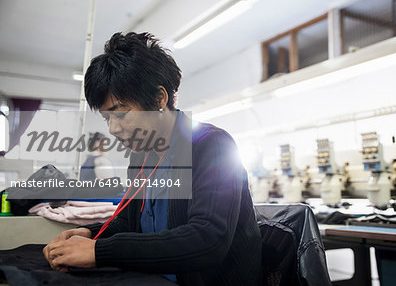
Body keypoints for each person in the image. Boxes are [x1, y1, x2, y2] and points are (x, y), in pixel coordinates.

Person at [42, 32, 262, 285]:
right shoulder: (140, 156)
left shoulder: (211, 145)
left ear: (159, 99)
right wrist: (90, 235)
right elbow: (129, 221)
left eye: (121, 114)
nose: (112, 128)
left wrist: (98, 252)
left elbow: (207, 239)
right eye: (106, 118)